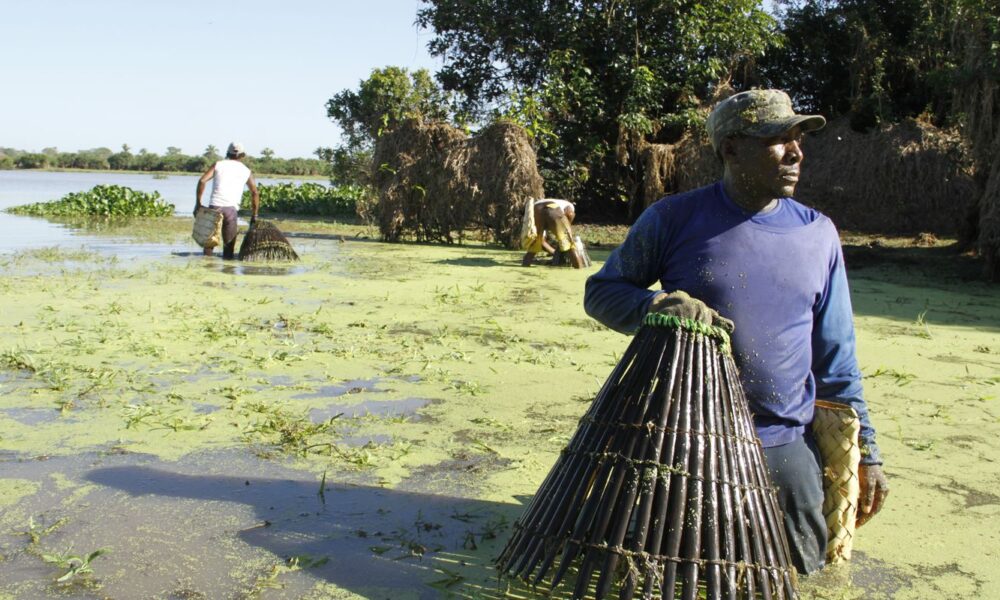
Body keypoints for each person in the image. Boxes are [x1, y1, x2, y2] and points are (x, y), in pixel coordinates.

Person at [583, 89, 889, 575]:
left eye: (798, 139)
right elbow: (603, 291)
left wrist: (867, 452)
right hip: (686, 442)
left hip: (782, 444)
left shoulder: (817, 234)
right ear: (731, 148)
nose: (795, 153)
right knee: (670, 572)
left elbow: (836, 359)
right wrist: (654, 305)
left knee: (802, 574)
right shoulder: (673, 218)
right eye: (777, 139)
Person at [194, 142, 259, 259]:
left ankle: (206, 266)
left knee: (208, 246)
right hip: (231, 210)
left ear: (228, 153)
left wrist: (198, 204)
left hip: (215, 207)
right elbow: (254, 192)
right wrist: (254, 215)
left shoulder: (218, 165)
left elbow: (202, 181)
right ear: (242, 155)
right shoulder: (246, 170)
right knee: (229, 250)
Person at [522, 198, 585, 268]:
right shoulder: (569, 205)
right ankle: (579, 268)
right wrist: (567, 232)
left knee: (534, 244)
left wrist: (554, 253)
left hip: (536, 210)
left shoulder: (547, 202)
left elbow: (542, 242)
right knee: (570, 245)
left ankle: (525, 265)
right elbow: (570, 214)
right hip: (553, 209)